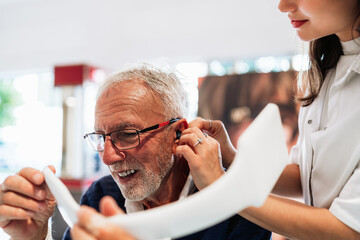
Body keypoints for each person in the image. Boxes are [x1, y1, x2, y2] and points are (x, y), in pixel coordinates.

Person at [0, 64, 271, 240]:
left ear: (177, 133)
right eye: (100, 138)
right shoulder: (103, 195)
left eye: (127, 135)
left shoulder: (237, 208)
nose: (107, 157)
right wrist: (34, 237)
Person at [178, 0, 360, 239]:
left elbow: (347, 229)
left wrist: (224, 189)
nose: (283, 6)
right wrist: (231, 158)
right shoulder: (328, 70)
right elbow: (307, 177)